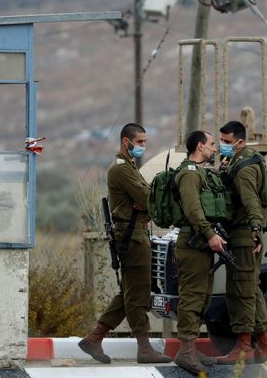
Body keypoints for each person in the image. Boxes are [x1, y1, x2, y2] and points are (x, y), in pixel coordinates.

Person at [78, 123, 171, 364]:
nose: (142, 146)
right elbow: (147, 198)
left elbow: (147, 196)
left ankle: (94, 338)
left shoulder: (129, 167)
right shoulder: (121, 169)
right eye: (139, 142)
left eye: (144, 142)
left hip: (134, 234)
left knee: (129, 292)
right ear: (125, 141)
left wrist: (146, 199)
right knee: (138, 293)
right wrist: (146, 200)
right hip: (132, 236)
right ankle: (144, 348)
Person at [216, 120, 267, 364]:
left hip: (243, 236)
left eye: (227, 142)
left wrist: (255, 231)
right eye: (221, 141)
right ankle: (264, 346)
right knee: (251, 289)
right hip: (240, 234)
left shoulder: (245, 168)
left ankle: (243, 346)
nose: (223, 146)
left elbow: (251, 201)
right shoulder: (239, 161)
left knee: (240, 291)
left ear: (240, 142)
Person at [173, 130, 226, 375]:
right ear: (200, 146)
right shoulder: (189, 174)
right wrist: (210, 234)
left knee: (202, 298)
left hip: (200, 244)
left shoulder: (199, 173)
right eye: (212, 145)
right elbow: (194, 211)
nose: (215, 149)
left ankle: (191, 349)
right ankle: (185, 352)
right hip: (193, 243)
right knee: (192, 297)